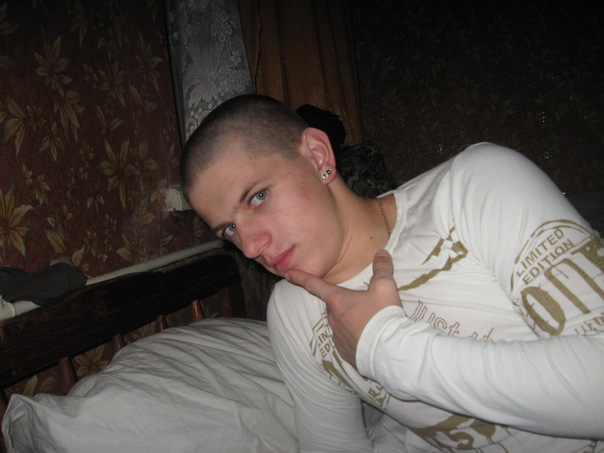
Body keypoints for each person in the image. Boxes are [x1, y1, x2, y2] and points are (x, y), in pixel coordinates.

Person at [180, 94, 604, 452]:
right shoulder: (294, 312)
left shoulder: (476, 185)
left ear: (317, 155)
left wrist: (385, 347)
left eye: (257, 197)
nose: (250, 247)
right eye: (230, 229)